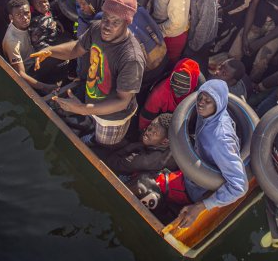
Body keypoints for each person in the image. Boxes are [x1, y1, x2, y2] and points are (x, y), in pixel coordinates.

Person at [32, 0, 146, 147]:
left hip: (112, 118)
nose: (106, 26)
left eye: (115, 22)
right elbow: (77, 48)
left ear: (127, 22)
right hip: (93, 99)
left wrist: (82, 109)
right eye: (105, 18)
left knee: (103, 143)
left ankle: (97, 142)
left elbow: (122, 102)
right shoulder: (96, 28)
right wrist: (51, 51)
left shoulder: (131, 58)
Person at [175, 80, 248, 228]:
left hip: (200, 187)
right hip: (193, 165)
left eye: (208, 101)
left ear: (218, 104)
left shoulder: (220, 141)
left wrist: (201, 206)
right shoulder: (210, 113)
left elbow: (239, 186)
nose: (201, 103)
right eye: (200, 98)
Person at [2, 0, 55, 93]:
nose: (25, 18)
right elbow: (21, 73)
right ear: (11, 18)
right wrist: (45, 87)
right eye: (18, 15)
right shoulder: (12, 41)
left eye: (27, 13)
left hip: (36, 56)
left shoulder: (25, 22)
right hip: (30, 69)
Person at [138, 58, 201, 131]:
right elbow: (145, 119)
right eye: (176, 81)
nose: (178, 87)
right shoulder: (158, 94)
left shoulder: (199, 96)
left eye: (184, 85)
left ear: (193, 83)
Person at [106, 113, 177, 175]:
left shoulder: (148, 160)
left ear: (165, 141)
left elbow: (112, 163)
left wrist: (131, 146)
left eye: (154, 133)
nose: (148, 131)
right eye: (151, 125)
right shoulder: (168, 139)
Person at [74, 0, 107, 79]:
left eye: (84, 4)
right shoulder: (85, 14)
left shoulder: (104, 19)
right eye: (79, 4)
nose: (81, 8)